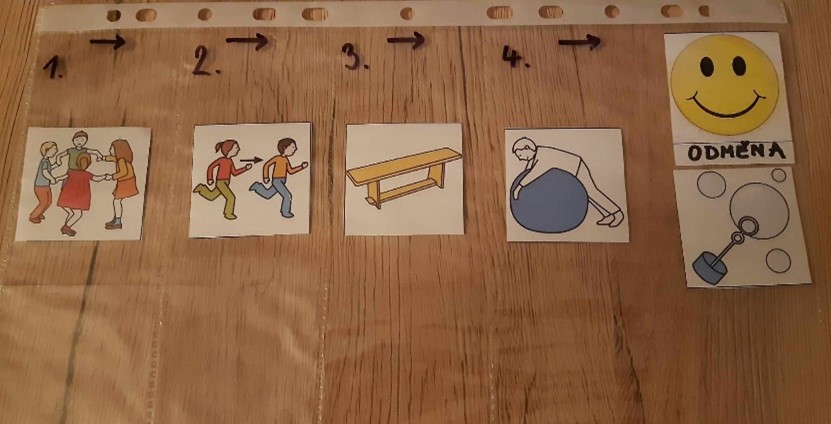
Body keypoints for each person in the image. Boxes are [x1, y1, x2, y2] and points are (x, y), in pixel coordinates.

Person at [512, 137, 624, 227]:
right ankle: (607, 215)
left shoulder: (544, 155)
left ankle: (617, 213)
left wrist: (519, 187)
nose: (520, 158)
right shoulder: (535, 156)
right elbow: (528, 171)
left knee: (591, 192)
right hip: (568, 174)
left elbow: (534, 173)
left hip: (576, 167)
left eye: (520, 154)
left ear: (527, 148)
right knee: (588, 196)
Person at [193, 139, 251, 220]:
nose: (238, 149)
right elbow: (211, 167)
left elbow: (234, 173)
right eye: (236, 147)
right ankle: (228, 213)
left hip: (226, 182)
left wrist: (245, 168)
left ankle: (201, 188)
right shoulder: (221, 160)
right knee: (231, 197)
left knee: (211, 196)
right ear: (229, 149)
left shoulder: (230, 161)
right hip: (221, 182)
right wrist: (210, 178)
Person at [249, 138, 308, 218]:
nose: (295, 149)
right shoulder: (277, 158)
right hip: (277, 181)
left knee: (267, 194)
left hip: (282, 181)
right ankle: (285, 211)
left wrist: (301, 167)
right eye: (293, 147)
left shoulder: (286, 160)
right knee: (287, 195)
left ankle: (257, 186)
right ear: (285, 147)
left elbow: (290, 171)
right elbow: (266, 165)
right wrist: (266, 177)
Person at [55, 152, 110, 237]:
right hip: (74, 197)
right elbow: (97, 178)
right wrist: (105, 176)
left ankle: (66, 228)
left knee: (72, 213)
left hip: (69, 197)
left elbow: (64, 177)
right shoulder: (85, 174)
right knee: (77, 214)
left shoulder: (73, 172)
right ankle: (66, 227)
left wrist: (56, 179)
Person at [103, 139, 139, 230]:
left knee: (116, 201)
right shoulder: (121, 159)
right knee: (116, 201)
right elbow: (113, 159)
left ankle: (118, 221)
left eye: (111, 148)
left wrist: (112, 176)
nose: (110, 150)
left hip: (126, 182)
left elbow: (123, 172)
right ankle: (116, 219)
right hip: (125, 181)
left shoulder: (121, 161)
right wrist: (103, 158)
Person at [29, 141, 59, 224]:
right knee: (44, 202)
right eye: (53, 150)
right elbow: (45, 172)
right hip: (40, 186)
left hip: (45, 185)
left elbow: (49, 169)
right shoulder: (44, 161)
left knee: (49, 202)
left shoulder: (47, 161)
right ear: (46, 150)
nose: (55, 151)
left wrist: (56, 165)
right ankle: (33, 216)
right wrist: (52, 179)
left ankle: (39, 213)